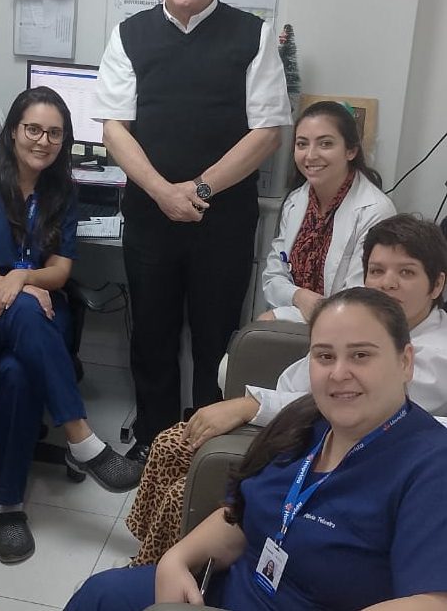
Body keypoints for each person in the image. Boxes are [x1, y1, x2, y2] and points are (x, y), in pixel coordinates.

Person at [66, 288, 447, 610]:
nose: (338, 373)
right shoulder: (304, 422)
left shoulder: (430, 464)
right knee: (102, 594)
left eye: (361, 355)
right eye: (325, 356)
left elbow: (432, 601)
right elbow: (240, 515)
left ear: (405, 362)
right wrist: (175, 560)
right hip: (233, 589)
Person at [126, 213, 447, 565]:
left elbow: (338, 407)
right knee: (170, 444)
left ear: (436, 285)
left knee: (183, 493)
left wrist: (249, 406)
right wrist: (280, 316)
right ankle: (150, 556)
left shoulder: (434, 357)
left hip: (328, 444)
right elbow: (306, 362)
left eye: (406, 273)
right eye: (377, 270)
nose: (388, 284)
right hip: (289, 417)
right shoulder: (367, 320)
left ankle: (166, 569)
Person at [93, 0, 292, 463]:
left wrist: (198, 189)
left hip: (222, 221)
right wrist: (163, 192)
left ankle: (205, 451)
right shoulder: (129, 35)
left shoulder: (251, 35)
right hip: (150, 215)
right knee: (151, 335)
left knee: (216, 340)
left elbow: (267, 132)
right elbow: (114, 129)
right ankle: (156, 443)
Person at [0, 87, 143, 564]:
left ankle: (9, 508)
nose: (43, 141)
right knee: (25, 311)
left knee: (17, 371)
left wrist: (23, 279)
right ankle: (81, 439)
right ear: (12, 131)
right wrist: (6, 284)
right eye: (33, 129)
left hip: (34, 312)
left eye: (54, 133)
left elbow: (59, 272)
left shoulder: (60, 191)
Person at [261, 100, 395, 323]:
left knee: (263, 328)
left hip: (347, 325)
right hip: (298, 313)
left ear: (351, 151)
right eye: (302, 144)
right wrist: (299, 296)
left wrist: (286, 313)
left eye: (325, 144)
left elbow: (360, 298)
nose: (310, 155)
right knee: (259, 333)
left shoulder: (375, 211)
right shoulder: (296, 201)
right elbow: (273, 277)